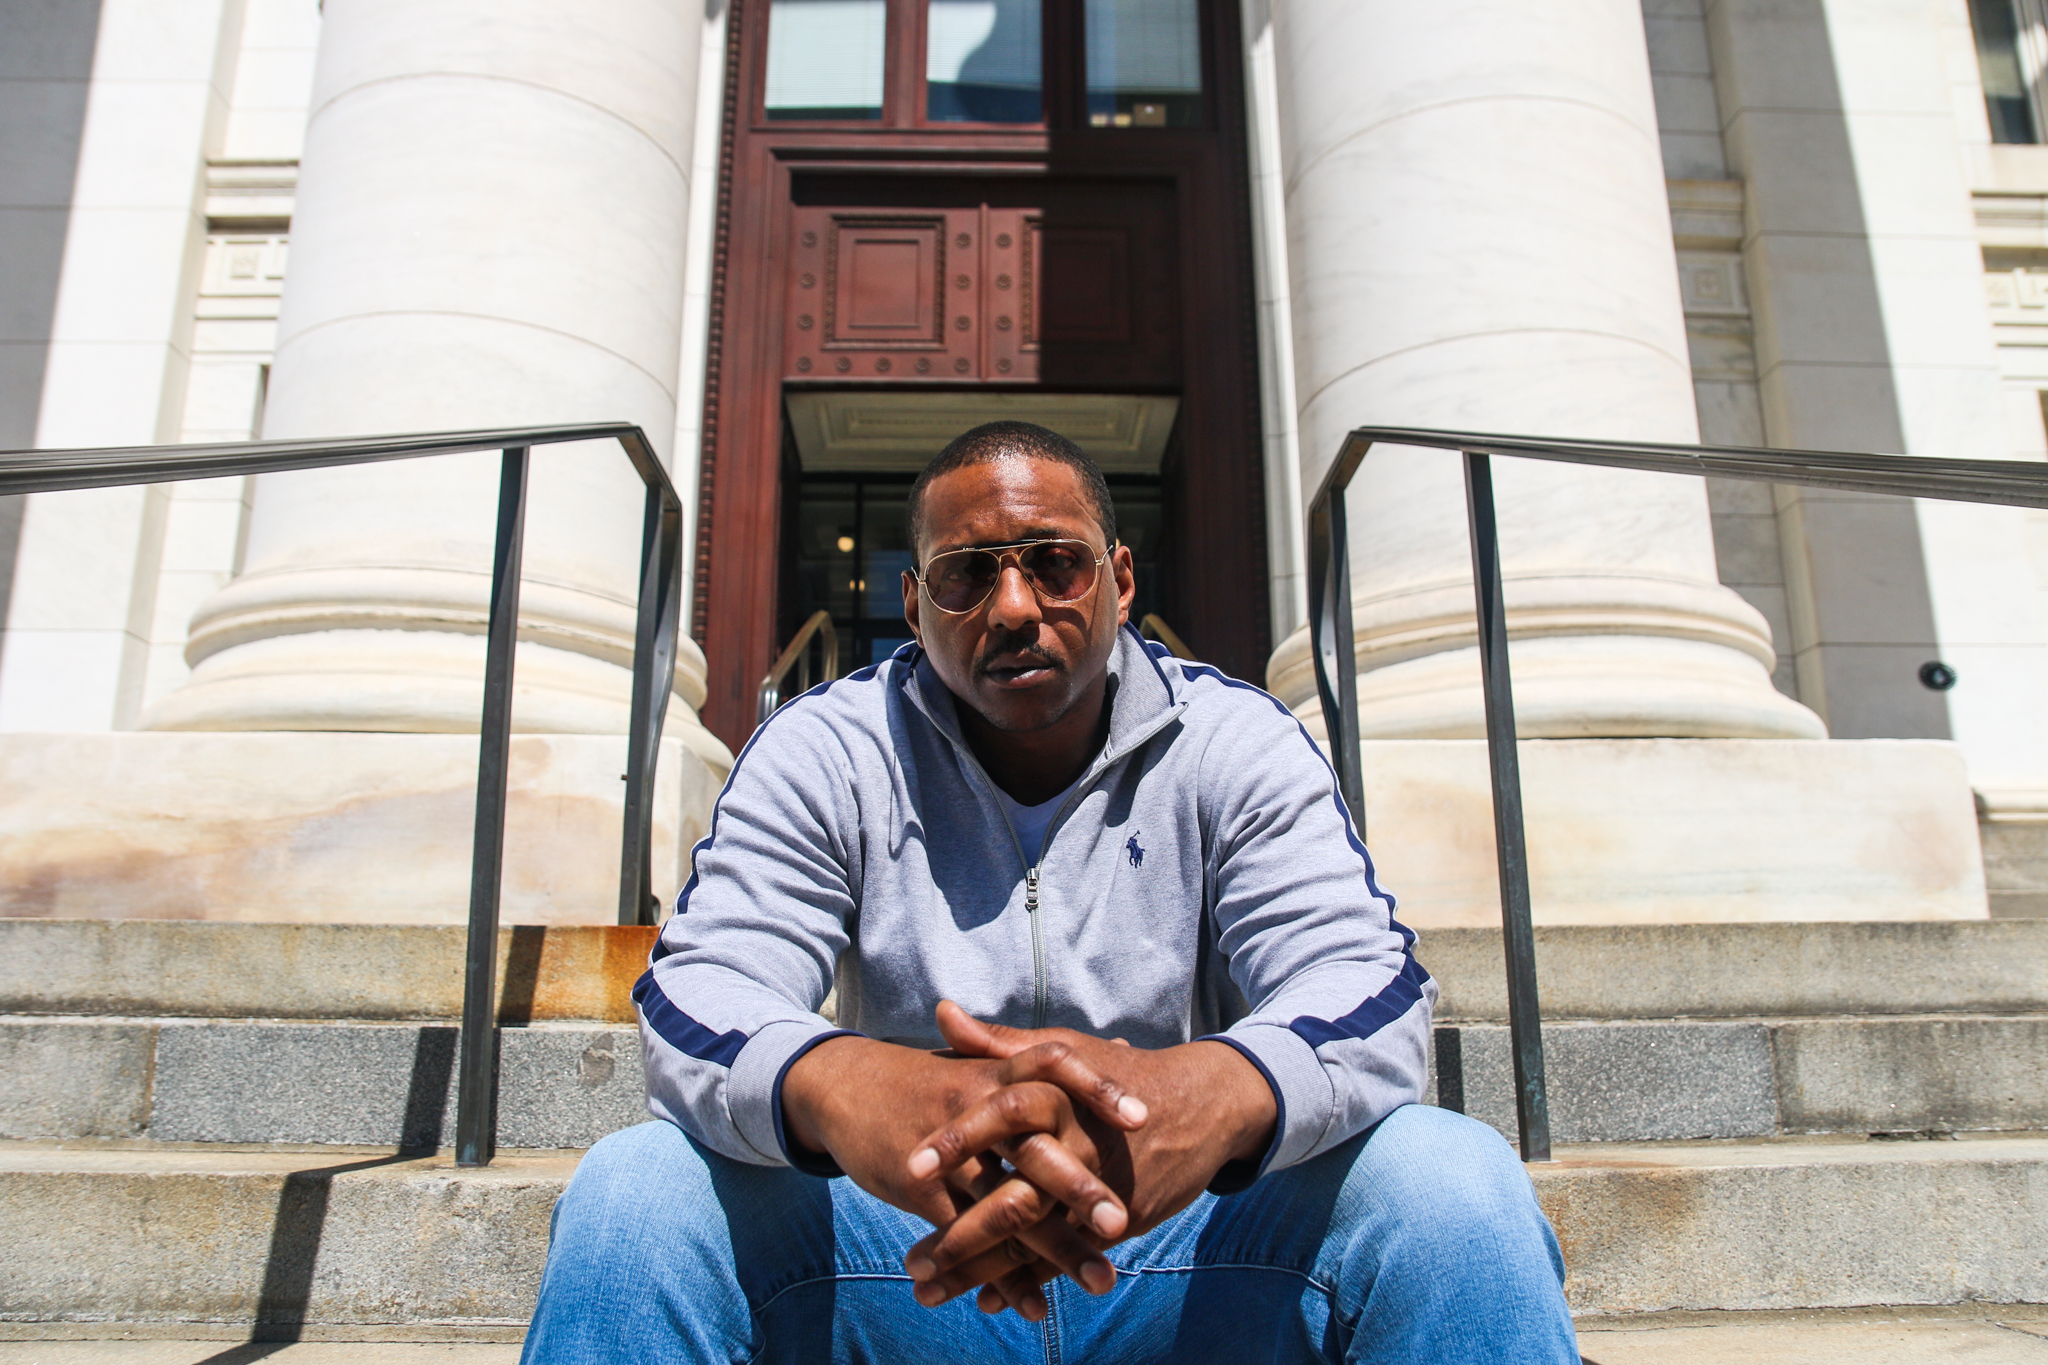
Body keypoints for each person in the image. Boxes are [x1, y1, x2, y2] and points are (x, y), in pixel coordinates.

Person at [521, 422, 1578, 1364]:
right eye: (964, 576)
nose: (1012, 606)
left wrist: (1204, 1097)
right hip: (908, 1243)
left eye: (1053, 564)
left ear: (1119, 580)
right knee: (637, 1195)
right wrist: (851, 1089)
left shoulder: (1234, 737)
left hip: (1185, 1243)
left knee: (1450, 1184)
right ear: (912, 603)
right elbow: (700, 990)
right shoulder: (822, 746)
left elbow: (1366, 985)